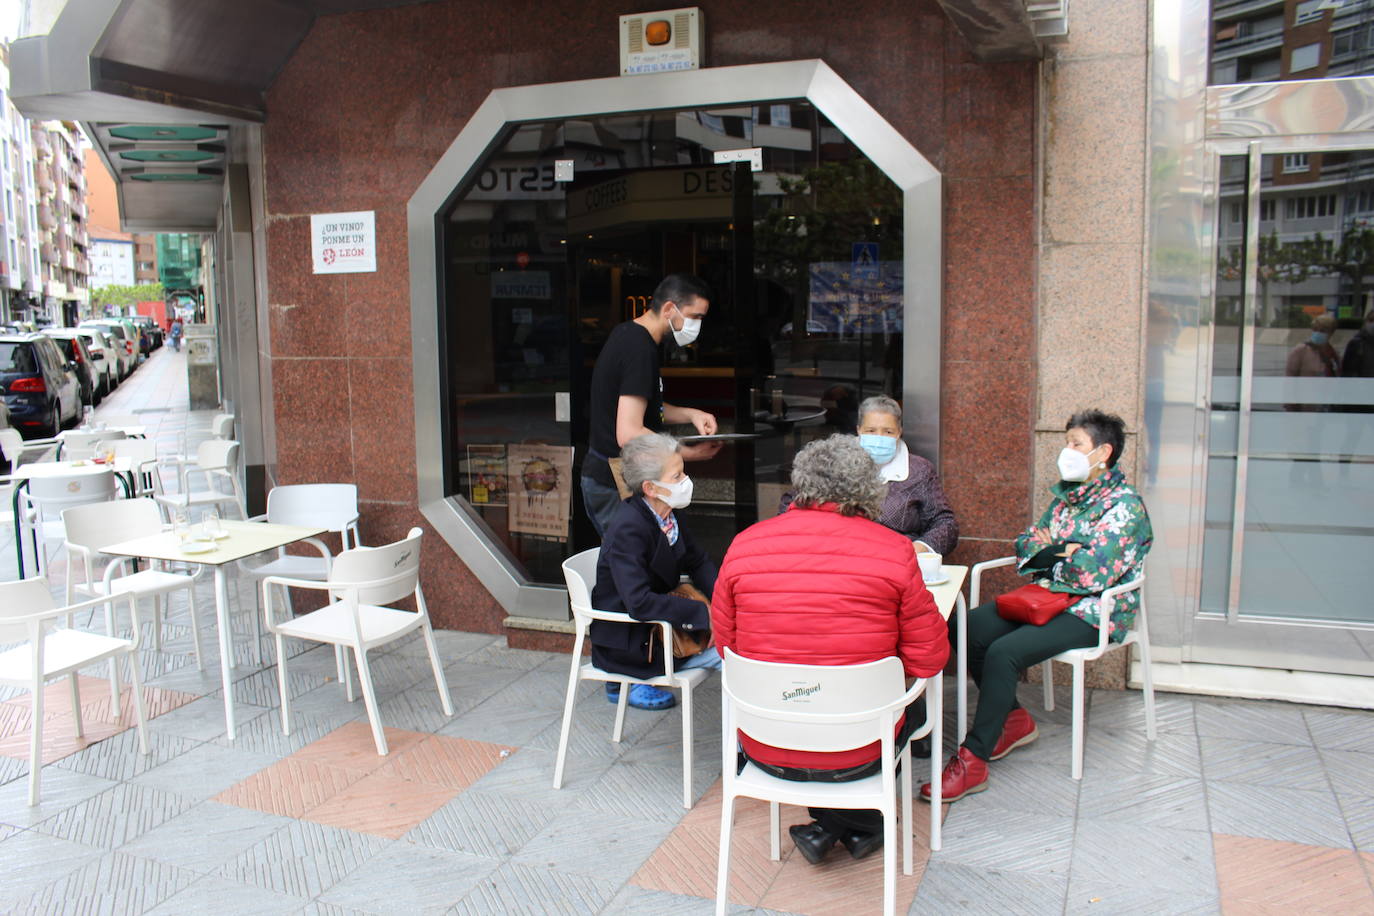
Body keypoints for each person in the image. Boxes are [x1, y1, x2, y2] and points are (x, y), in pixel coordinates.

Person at [712, 435, 949, 864]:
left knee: (835, 702)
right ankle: (857, 827)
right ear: (868, 489)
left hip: (766, 743)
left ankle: (836, 827)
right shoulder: (894, 551)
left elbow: (727, 647)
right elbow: (929, 658)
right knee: (901, 704)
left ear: (801, 484)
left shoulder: (745, 544)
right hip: (857, 751)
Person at [922, 409, 1152, 803]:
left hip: (1094, 611)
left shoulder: (1125, 508)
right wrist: (1060, 552)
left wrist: (1051, 553)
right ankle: (1012, 719)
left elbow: (1093, 576)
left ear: (1103, 452)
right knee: (961, 627)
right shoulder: (1066, 498)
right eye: (1066, 442)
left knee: (1003, 652)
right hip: (1047, 599)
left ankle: (973, 758)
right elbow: (1025, 547)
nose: (1066, 451)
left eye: (1076, 443)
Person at [581, 274, 720, 538]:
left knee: (635, 563)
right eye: (695, 317)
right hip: (615, 483)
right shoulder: (639, 349)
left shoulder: (628, 334)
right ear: (669, 308)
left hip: (609, 478)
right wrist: (685, 454)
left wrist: (692, 414)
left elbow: (644, 406)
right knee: (629, 568)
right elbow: (629, 432)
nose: (697, 325)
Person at [589, 432, 721, 711]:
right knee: (734, 653)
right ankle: (751, 738)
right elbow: (639, 602)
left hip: (662, 628)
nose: (685, 482)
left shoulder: (670, 513)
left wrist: (721, 603)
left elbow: (698, 561)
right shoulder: (629, 528)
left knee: (736, 641)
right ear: (650, 487)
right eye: (677, 476)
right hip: (635, 642)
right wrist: (704, 616)